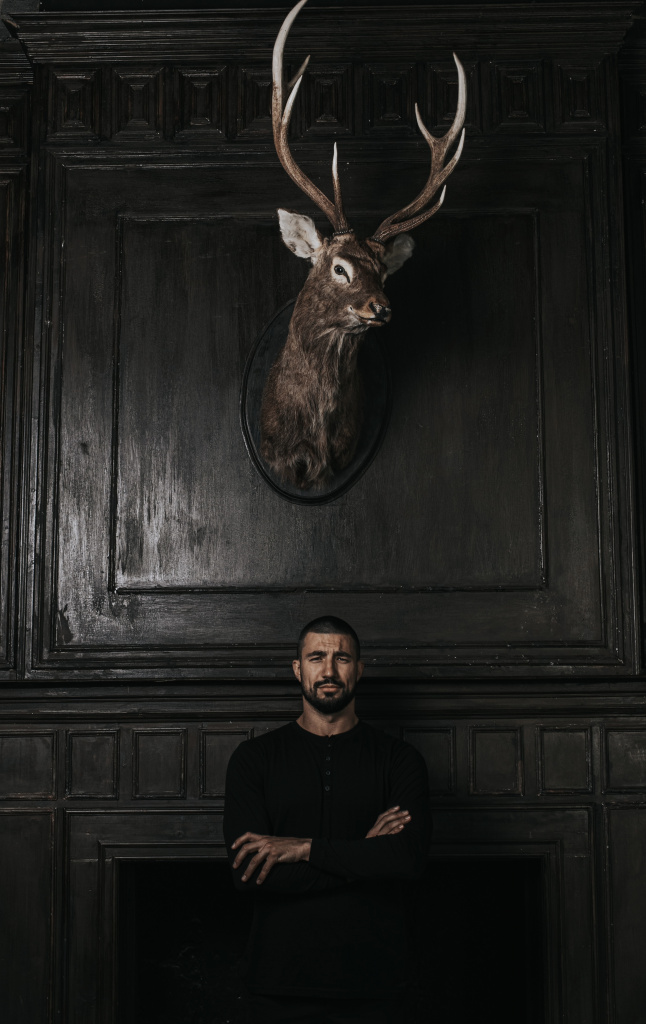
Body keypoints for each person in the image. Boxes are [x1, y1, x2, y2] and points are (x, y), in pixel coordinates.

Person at [223, 616, 432, 1024]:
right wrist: (366, 854)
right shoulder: (254, 759)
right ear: (298, 668)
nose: (329, 671)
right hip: (278, 986)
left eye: (343, 658)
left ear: (359, 669)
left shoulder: (400, 759)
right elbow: (248, 874)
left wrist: (304, 849)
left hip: (376, 985)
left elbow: (407, 859)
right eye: (316, 657)